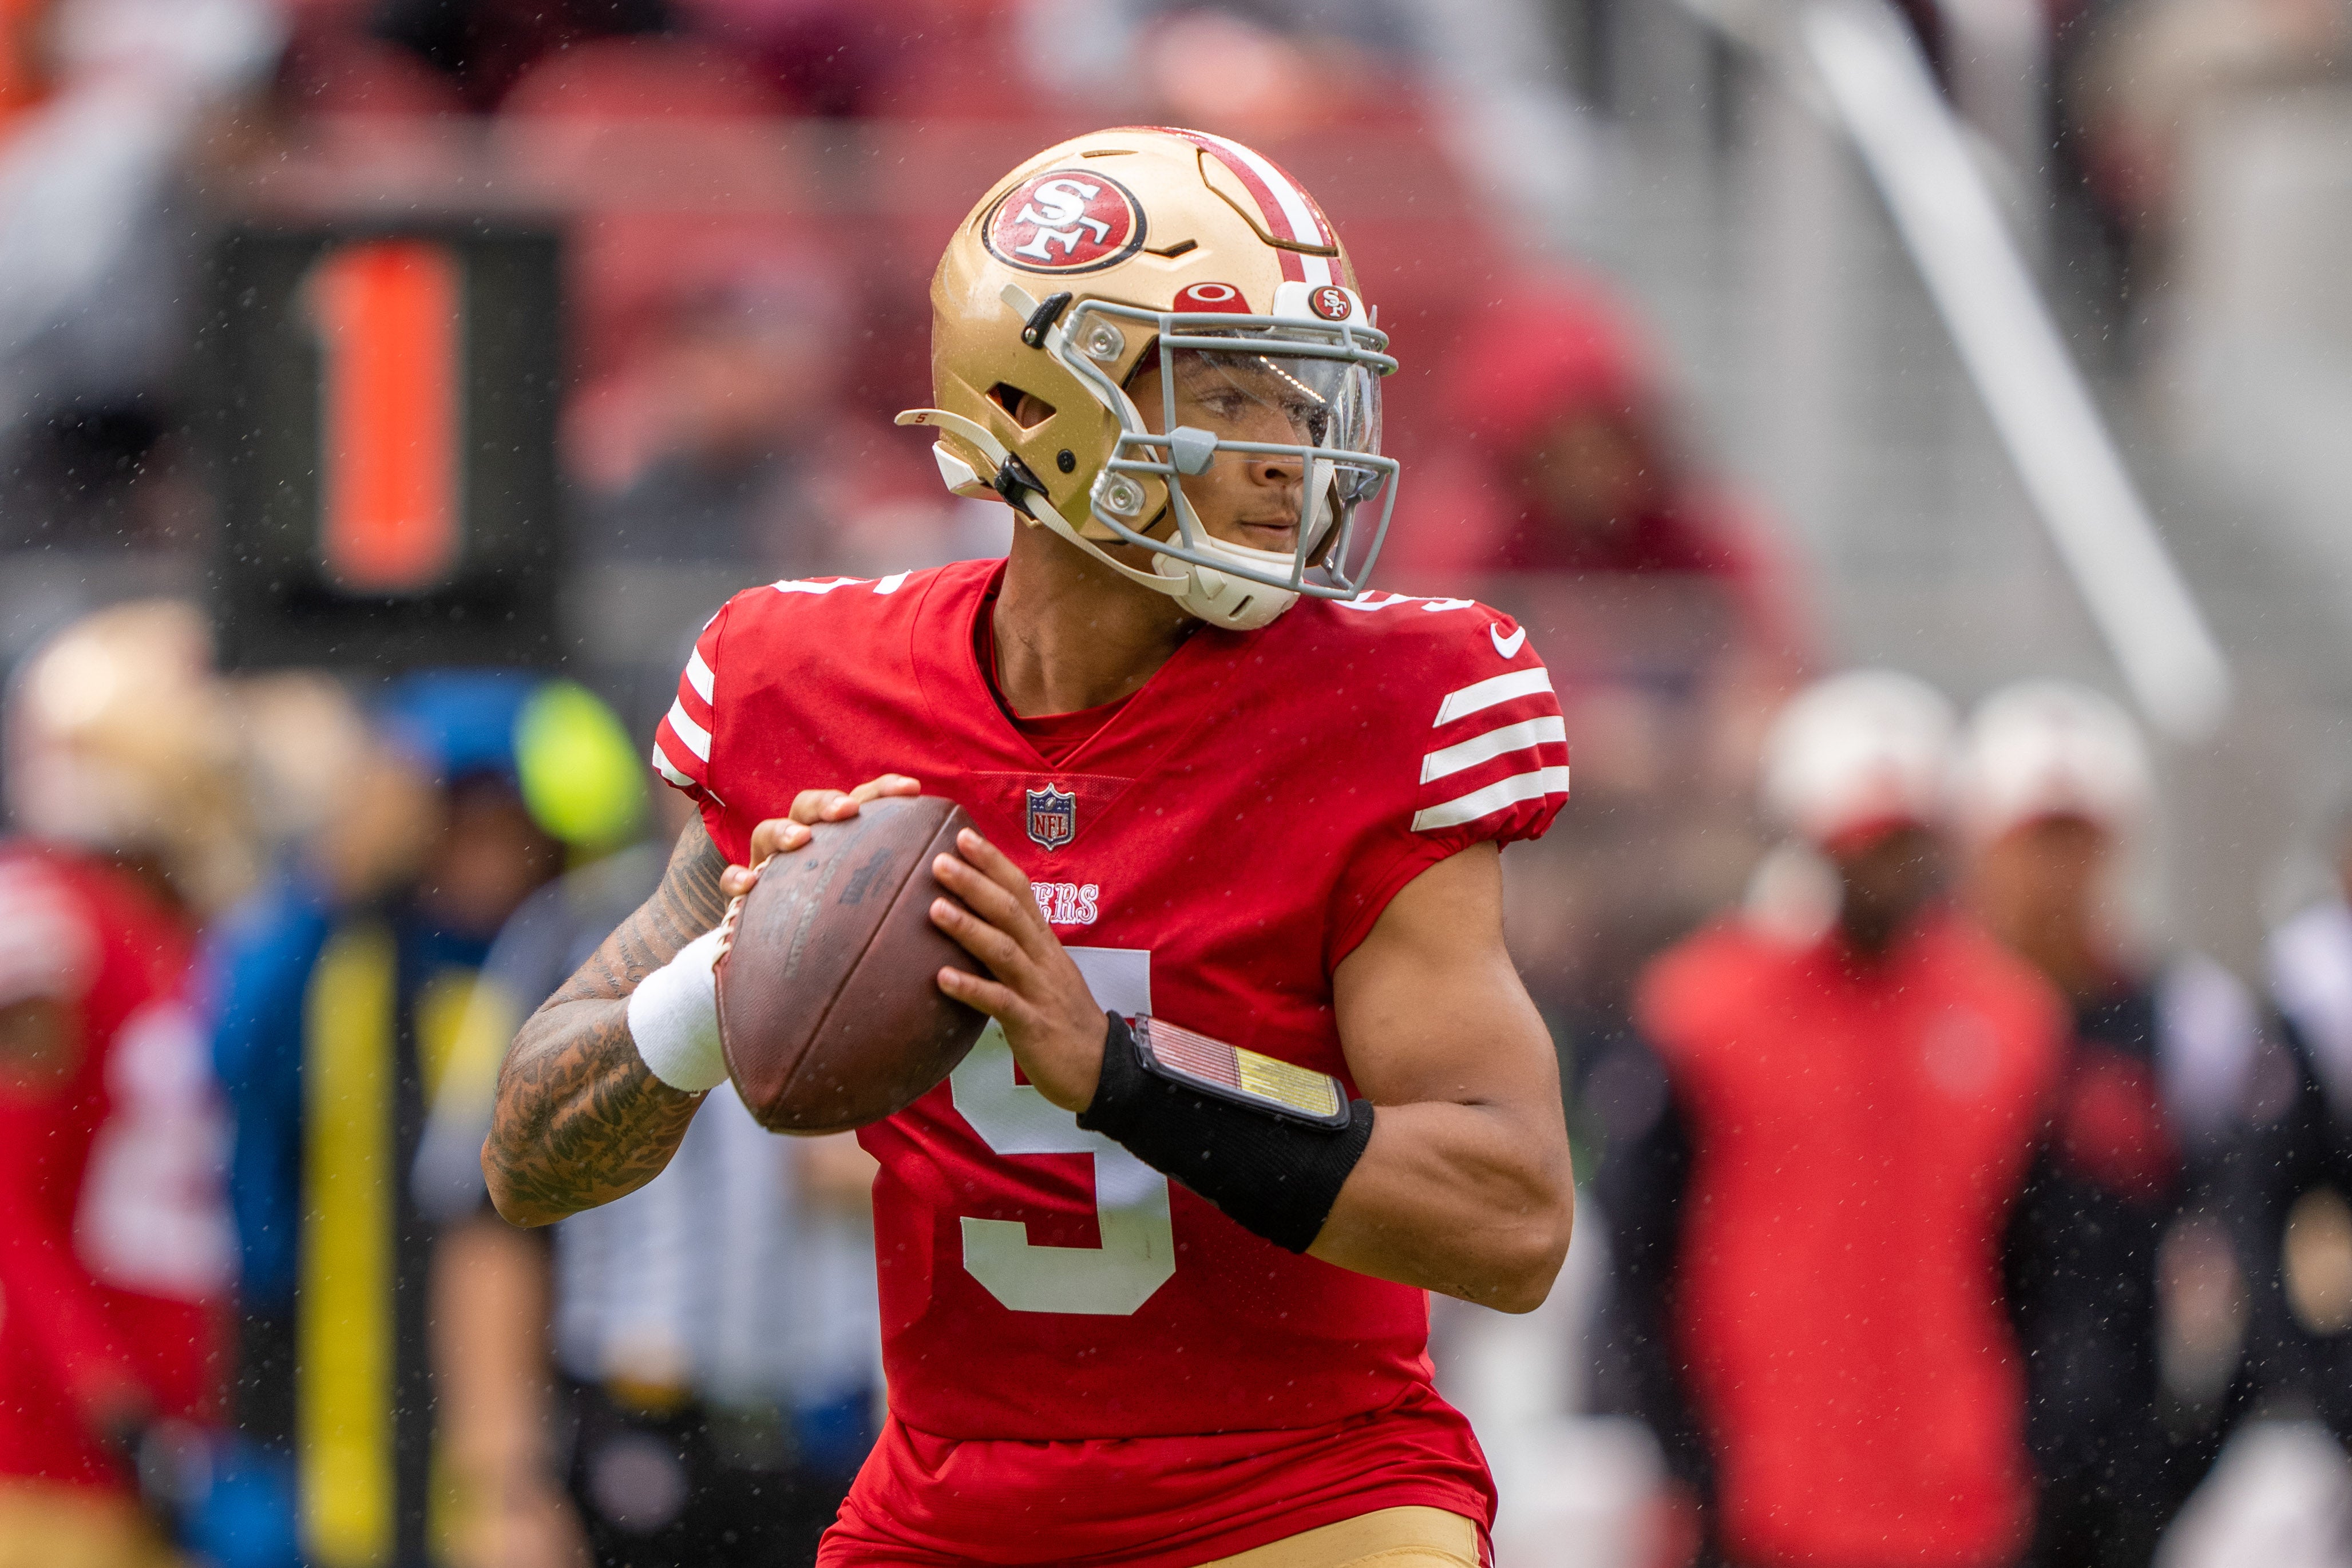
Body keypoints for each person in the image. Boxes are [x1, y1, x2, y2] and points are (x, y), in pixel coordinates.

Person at [483, 125, 1576, 1567]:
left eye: (1301, 395)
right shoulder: (806, 686)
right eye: (1227, 388)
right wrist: (720, 980)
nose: (1290, 449)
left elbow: (1511, 1217)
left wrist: (1124, 1070)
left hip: (1306, 1490)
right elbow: (529, 1158)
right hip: (951, 1501)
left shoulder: (1381, 702)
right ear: (1037, 399)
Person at [1590, 670, 2065, 1568]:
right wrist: (1686, 1450)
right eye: (1862, 843)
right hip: (1758, 1491)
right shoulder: (1703, 1012)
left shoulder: (2008, 1022)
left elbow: (2041, 1261)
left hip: (1952, 1495)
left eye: (1902, 843)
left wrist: (2034, 1442)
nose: (1884, 868)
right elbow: (1640, 1254)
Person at [415, 773, 882, 1568]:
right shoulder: (578, 929)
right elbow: (487, 1219)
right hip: (639, 1430)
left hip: (842, 1436)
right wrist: (500, 1484)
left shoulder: (892, 919)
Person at [208, 671, 571, 1568]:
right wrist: (332, 875)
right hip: (319, 1399)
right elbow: (229, 1061)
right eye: (460, 830)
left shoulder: (567, 963)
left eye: (507, 832)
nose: (484, 859)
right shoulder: (336, 957)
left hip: (532, 1424)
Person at [1957, 679, 2258, 1568]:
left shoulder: (2191, 1021)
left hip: (2115, 1455)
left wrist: (2185, 1446)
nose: (2054, 871)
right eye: (2031, 840)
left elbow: (2233, 1244)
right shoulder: (1918, 1015)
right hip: (1946, 1443)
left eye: (2076, 840)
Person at [0, 600, 247, 1567]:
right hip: (52, 1456)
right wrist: (109, 1398)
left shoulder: (179, 934)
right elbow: (10, 1205)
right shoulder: (53, 921)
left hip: (174, 1431)